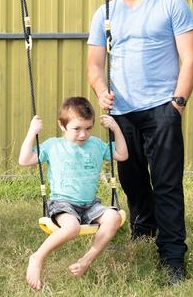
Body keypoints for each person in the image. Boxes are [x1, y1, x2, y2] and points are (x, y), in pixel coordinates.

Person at [86, 0, 193, 284]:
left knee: (166, 184)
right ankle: (144, 233)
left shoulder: (171, 4)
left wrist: (177, 104)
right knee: (132, 182)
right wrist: (100, 91)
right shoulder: (105, 12)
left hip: (162, 109)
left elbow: (191, 58)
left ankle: (172, 259)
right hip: (121, 112)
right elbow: (94, 63)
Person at [19, 97, 128, 290]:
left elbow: (121, 154)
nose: (83, 134)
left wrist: (116, 129)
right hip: (63, 204)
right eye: (76, 129)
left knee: (114, 217)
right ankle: (37, 257)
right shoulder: (53, 146)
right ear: (62, 125)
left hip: (90, 205)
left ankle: (87, 259)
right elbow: (24, 160)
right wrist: (31, 133)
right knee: (72, 227)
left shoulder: (95, 144)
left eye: (88, 128)